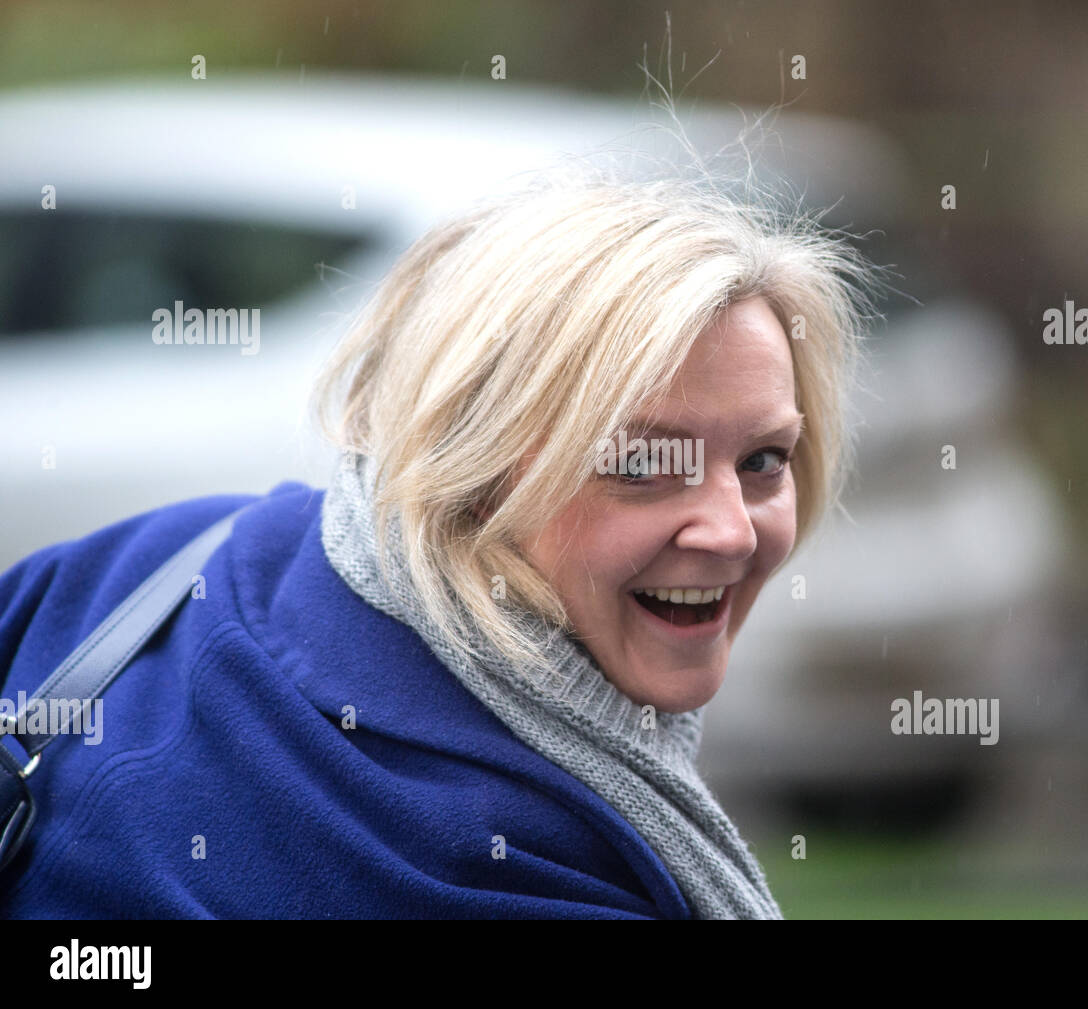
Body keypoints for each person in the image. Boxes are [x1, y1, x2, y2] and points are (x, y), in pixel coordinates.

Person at [0, 162, 875, 919]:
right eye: (642, 462)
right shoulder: (520, 871)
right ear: (471, 462)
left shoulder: (162, 559)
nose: (729, 529)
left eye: (764, 459)